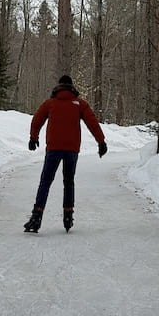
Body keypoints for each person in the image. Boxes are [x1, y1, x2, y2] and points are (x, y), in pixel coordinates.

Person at [24, 75, 107, 233]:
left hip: (53, 148)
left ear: (59, 87)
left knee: (45, 182)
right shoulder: (79, 104)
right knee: (68, 181)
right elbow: (92, 122)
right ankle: (68, 216)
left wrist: (33, 138)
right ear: (71, 87)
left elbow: (37, 119)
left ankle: (36, 217)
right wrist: (101, 141)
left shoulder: (50, 103)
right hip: (71, 149)